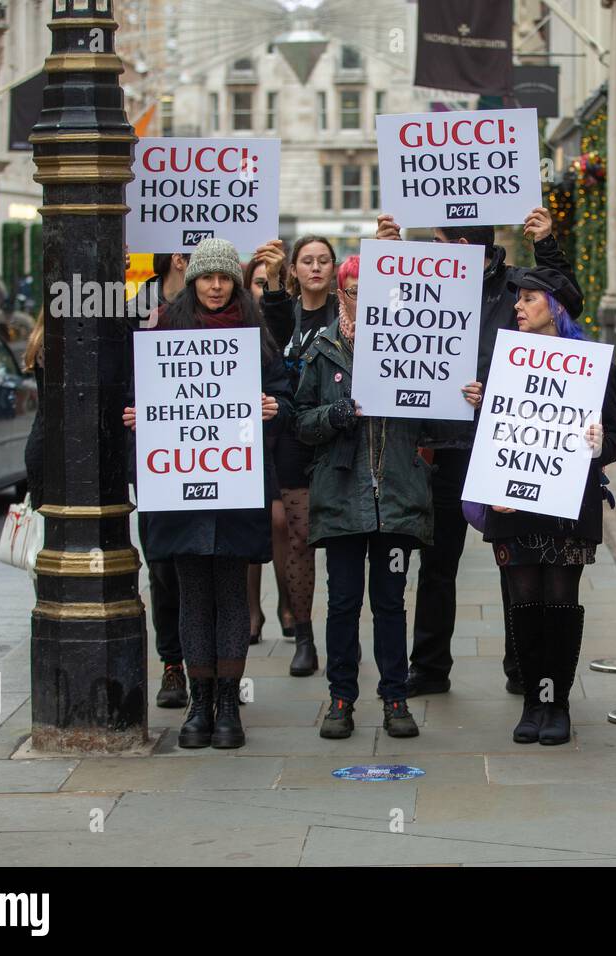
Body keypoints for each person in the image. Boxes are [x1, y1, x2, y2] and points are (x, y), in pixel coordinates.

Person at [374, 208, 582, 699]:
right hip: (444, 442)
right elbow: (389, 324)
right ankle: (428, 666)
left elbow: (565, 297)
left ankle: (521, 664)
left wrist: (548, 244)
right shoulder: (427, 278)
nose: (434, 251)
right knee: (437, 561)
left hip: (507, 440)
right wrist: (390, 250)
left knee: (517, 561)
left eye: (440, 241)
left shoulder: (515, 286)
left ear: (464, 243)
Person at [123, 238, 292, 749]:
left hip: (236, 486)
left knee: (231, 593)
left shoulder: (253, 334)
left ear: (234, 282)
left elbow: (283, 390)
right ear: (193, 280)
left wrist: (272, 407)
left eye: (224, 278)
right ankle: (199, 703)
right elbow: (144, 398)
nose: (216, 287)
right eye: (206, 278)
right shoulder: (164, 332)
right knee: (192, 592)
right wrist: (136, 418)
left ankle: (227, 706)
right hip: (181, 490)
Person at [464, 266, 616, 746]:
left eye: (529, 298)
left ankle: (558, 704)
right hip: (514, 506)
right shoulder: (508, 362)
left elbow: (613, 436)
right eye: (518, 298)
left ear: (554, 306)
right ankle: (534, 701)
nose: (518, 306)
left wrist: (598, 444)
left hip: (566, 506)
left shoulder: (593, 364)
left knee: (560, 602)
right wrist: (493, 483)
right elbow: (493, 439)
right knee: (525, 604)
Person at [296, 255, 444, 740]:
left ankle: (395, 697)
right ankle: (341, 698)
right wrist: (333, 416)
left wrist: (460, 397)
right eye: (356, 290)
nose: (364, 299)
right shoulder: (324, 350)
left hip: (396, 497)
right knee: (342, 602)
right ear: (342, 294)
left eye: (374, 291)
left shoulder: (412, 346)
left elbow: (434, 423)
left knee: (390, 602)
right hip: (342, 497)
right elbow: (300, 422)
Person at [253, 235, 338, 677]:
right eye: (307, 261)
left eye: (324, 260)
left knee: (343, 541)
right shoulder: (283, 313)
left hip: (338, 435)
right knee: (299, 538)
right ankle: (303, 635)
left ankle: (343, 637)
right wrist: (270, 279)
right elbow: (272, 321)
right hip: (291, 437)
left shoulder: (345, 314)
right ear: (296, 269)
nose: (316, 268)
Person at [135, 252, 190, 709]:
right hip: (158, 461)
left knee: (205, 567)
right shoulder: (136, 308)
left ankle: (209, 666)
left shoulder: (213, 311)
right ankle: (172, 663)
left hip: (209, 461)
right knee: (162, 566)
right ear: (179, 259)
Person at [242, 253, 293, 645]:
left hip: (282, 436)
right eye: (257, 283)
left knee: (281, 522)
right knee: (253, 520)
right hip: (245, 443)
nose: (263, 290)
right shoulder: (237, 324)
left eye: (269, 283)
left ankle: (288, 604)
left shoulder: (275, 323)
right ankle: (251, 610)